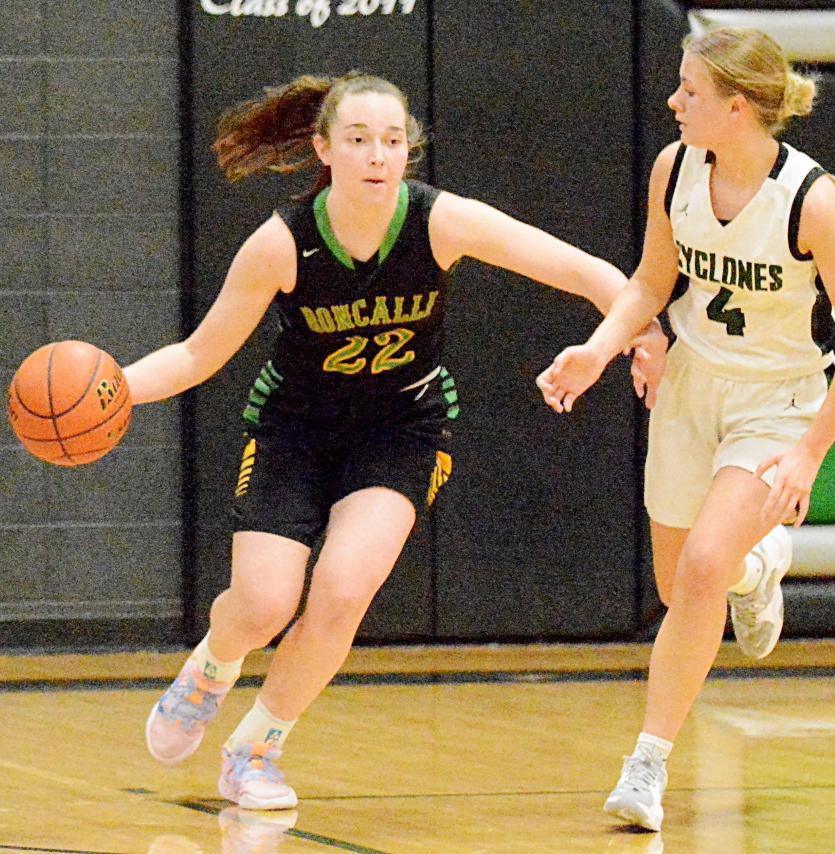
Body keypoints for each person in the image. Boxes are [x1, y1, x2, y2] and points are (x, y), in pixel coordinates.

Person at [126, 71, 668, 810]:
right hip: (294, 430)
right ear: (325, 148)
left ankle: (254, 750)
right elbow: (197, 355)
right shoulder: (282, 245)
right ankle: (213, 666)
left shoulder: (438, 221)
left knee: (344, 591)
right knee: (260, 606)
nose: (378, 155)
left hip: (400, 427)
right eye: (357, 140)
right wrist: (117, 388)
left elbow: (585, 270)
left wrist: (638, 331)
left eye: (391, 140)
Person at [537, 28, 835, 832]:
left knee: (700, 566)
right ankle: (755, 568)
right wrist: (598, 349)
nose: (672, 102)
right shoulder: (675, 171)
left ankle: (647, 765)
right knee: (681, 587)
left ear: (735, 107)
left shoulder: (813, 202)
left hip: (778, 404)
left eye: (688, 92)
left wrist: (809, 452)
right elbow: (651, 281)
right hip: (693, 389)